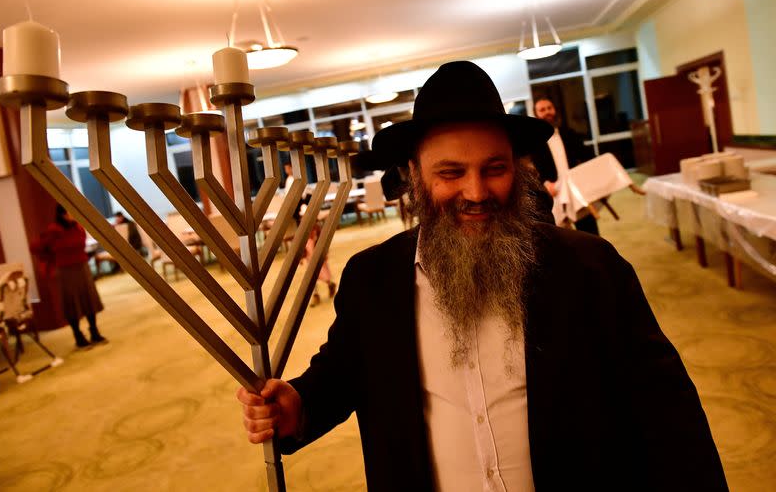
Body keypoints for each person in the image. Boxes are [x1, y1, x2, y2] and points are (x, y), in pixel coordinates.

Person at [236, 62, 727, 491]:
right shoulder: (372, 280)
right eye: (450, 173)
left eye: (494, 168)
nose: (476, 191)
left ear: (518, 168)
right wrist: (300, 403)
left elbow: (671, 418)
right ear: (415, 175)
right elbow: (344, 371)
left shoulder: (593, 269)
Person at [32, 204, 107, 348]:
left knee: (88, 300)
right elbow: (36, 247)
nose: (73, 214)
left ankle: (94, 331)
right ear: (63, 214)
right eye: (71, 212)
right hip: (66, 270)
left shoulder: (78, 226)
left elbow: (81, 242)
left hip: (82, 267)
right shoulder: (54, 230)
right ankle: (78, 335)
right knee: (72, 304)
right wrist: (51, 258)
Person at [531, 97, 600, 235]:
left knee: (590, 234)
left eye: (549, 108)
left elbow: (588, 157)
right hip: (553, 194)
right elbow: (531, 169)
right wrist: (544, 184)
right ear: (536, 114)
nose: (547, 112)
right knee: (562, 237)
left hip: (576, 190)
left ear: (555, 110)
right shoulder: (534, 141)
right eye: (542, 110)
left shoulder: (570, 134)